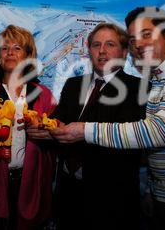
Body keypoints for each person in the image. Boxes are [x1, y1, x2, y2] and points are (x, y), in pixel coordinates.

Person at [53, 7, 165, 230]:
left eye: (146, 35)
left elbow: (158, 132)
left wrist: (83, 130)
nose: (139, 44)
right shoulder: (160, 80)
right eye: (133, 39)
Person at [53, 23, 146, 230]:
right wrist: (47, 129)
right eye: (96, 45)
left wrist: (82, 132)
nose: (102, 51)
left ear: (123, 53)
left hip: (112, 201)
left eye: (110, 44)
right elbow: (57, 121)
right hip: (68, 194)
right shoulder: (73, 85)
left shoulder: (139, 89)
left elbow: (133, 140)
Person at [0, 25, 57, 230]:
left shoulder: (43, 94)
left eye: (17, 48)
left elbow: (56, 137)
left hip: (30, 183)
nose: (10, 52)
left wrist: (48, 134)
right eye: (5, 48)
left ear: (28, 56)